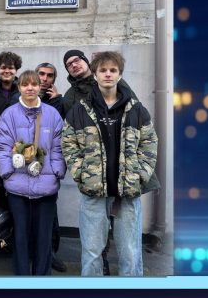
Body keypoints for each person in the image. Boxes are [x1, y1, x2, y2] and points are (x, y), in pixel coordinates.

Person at [62, 51, 159, 276]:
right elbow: (68, 144)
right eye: (103, 70)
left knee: (130, 252)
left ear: (119, 75)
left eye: (113, 70)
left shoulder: (136, 110)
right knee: (92, 251)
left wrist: (140, 175)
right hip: (94, 193)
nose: (108, 74)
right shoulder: (79, 110)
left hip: (128, 192)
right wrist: (81, 173)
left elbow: (149, 143)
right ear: (94, 74)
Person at [0, 70, 65, 275]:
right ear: (19, 88)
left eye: (34, 84)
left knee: (44, 236)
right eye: (25, 85)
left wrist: (57, 172)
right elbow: (2, 147)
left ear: (39, 87)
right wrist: (7, 173)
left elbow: (58, 148)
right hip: (17, 187)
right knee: (21, 236)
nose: (30, 88)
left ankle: (42, 278)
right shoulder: (9, 115)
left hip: (46, 186)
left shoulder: (52, 114)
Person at [36, 61, 67, 272]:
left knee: (50, 213)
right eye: (41, 74)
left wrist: (56, 101)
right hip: (25, 165)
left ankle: (50, 253)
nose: (45, 78)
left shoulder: (59, 101)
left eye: (49, 75)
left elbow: (58, 126)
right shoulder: (24, 94)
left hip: (48, 167)